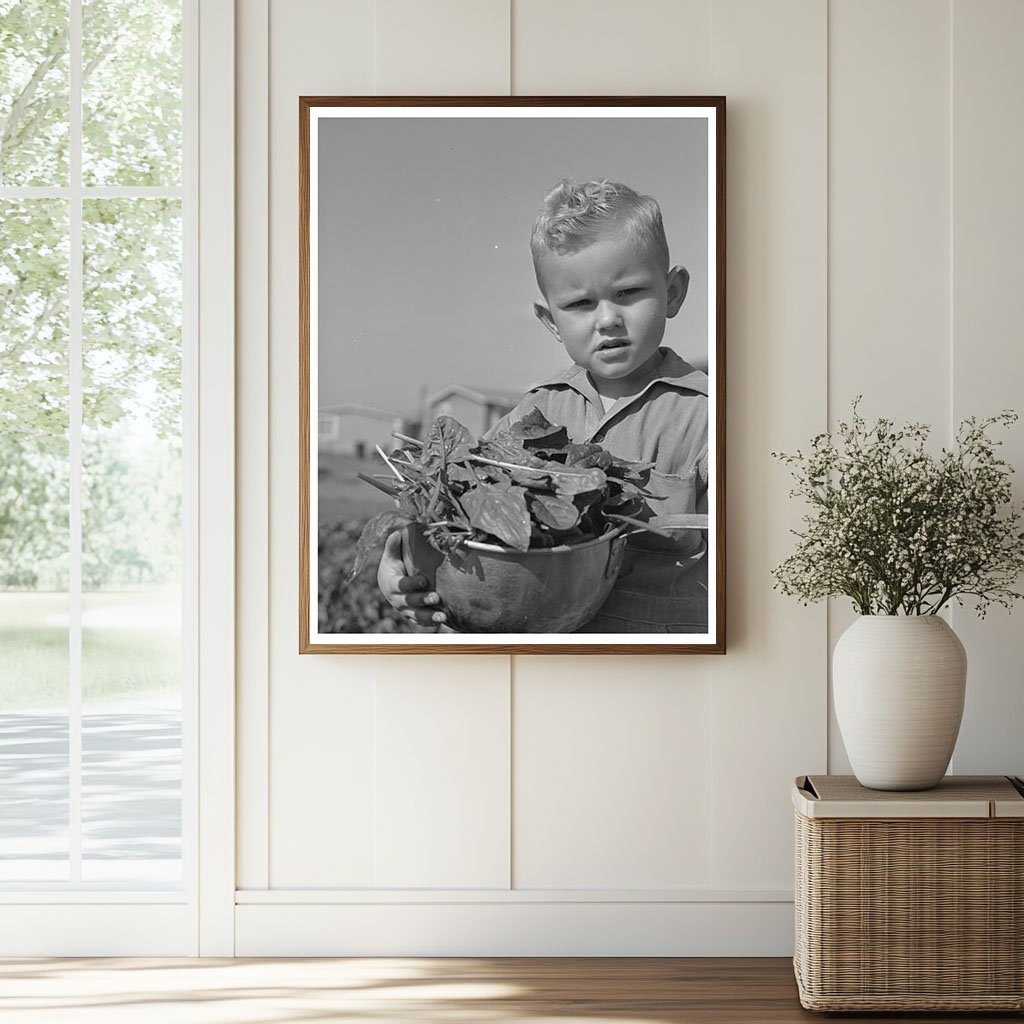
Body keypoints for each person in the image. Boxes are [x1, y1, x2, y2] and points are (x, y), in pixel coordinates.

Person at [377, 178, 709, 633]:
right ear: (551, 321)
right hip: (547, 654)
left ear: (672, 293)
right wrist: (398, 563)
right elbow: (453, 508)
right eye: (580, 304)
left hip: (663, 662)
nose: (608, 319)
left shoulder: (709, 417)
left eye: (629, 293)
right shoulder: (534, 414)